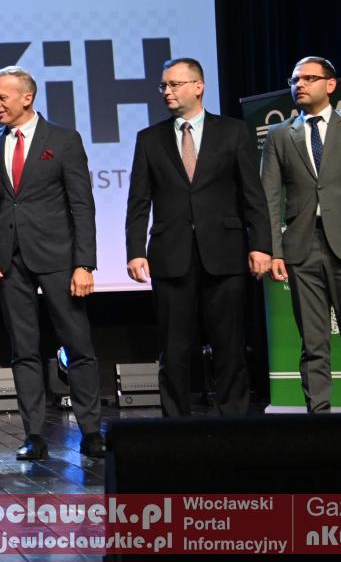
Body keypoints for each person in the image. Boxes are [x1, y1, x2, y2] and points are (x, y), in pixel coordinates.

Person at [125, 57, 272, 417]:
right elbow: (138, 201)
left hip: (225, 252)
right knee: (174, 348)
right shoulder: (149, 138)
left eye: (174, 84)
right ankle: (176, 424)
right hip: (170, 255)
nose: (166, 91)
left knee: (230, 345)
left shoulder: (233, 132)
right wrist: (135, 250)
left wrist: (261, 245)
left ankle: (233, 421)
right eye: (163, 85)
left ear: (198, 87)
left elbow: (253, 195)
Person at [0, 67, 105, 460]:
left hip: (58, 258)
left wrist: (84, 264)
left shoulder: (63, 140)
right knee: (23, 350)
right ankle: (33, 434)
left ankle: (90, 432)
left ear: (26, 98)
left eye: (1, 97)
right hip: (9, 261)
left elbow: (82, 205)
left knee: (78, 345)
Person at [260, 56, 341, 413]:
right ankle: (319, 421)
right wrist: (274, 251)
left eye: (308, 78)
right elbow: (269, 198)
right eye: (294, 80)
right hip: (302, 248)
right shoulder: (279, 134)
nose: (299, 85)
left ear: (330, 85)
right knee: (313, 344)